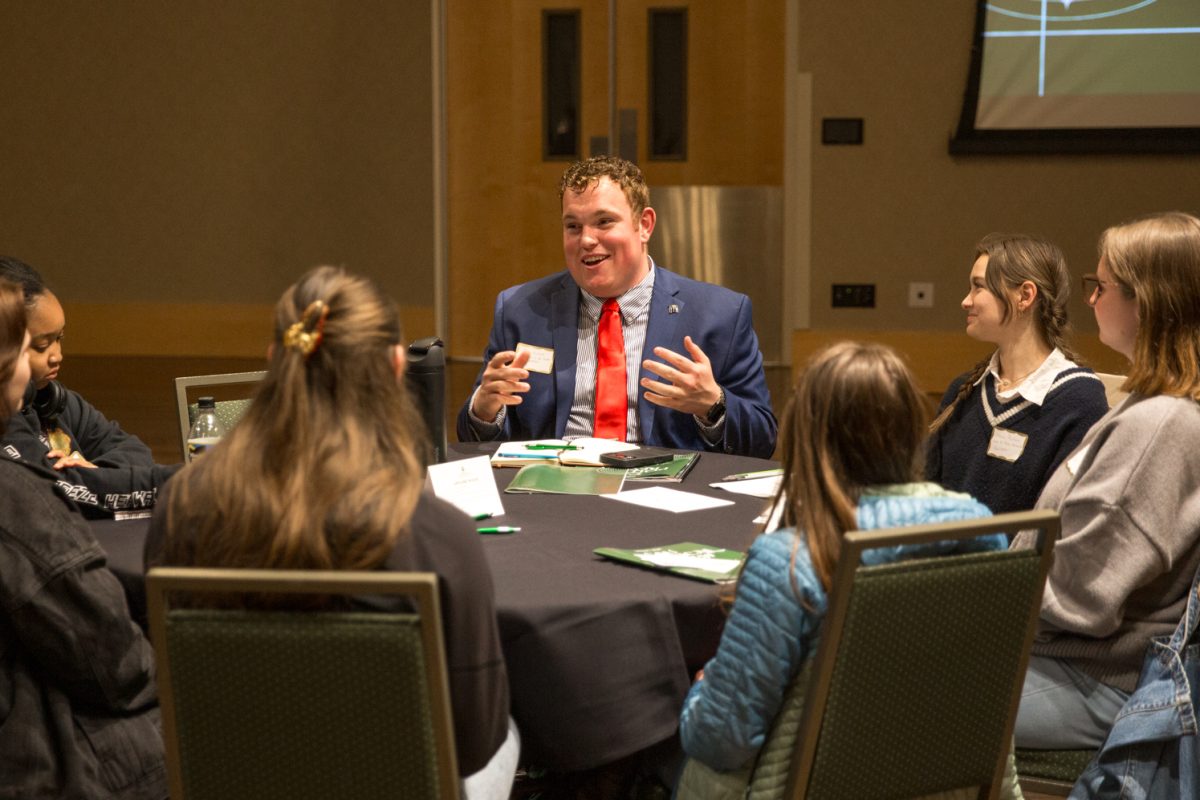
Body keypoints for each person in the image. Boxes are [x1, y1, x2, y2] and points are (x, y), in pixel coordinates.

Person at [143, 266, 518, 797]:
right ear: (394, 367)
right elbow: (476, 741)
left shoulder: (182, 507)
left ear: (275, 360)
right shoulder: (438, 535)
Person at [677, 341, 1005, 775]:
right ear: (912, 430)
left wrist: (702, 690)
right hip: (942, 782)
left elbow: (718, 741)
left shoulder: (790, 562)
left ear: (807, 438)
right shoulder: (979, 532)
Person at [1013, 211, 1200, 751]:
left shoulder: (1159, 425)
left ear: (1149, 302)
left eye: (1101, 286)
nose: (1090, 298)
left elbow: (1080, 602)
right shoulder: (1152, 405)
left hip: (1092, 680)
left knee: (865, 697)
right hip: (1073, 660)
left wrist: (973, 598)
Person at [456, 156, 777, 459]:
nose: (586, 240)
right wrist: (485, 409)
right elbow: (477, 437)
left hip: (666, 493)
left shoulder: (719, 314)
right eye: (573, 226)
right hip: (552, 487)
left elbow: (761, 441)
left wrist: (712, 405)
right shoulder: (520, 310)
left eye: (604, 222)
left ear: (644, 225)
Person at [0, 278, 167, 799]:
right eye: (29, 348)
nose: (42, 361)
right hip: (53, 760)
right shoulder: (14, 500)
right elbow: (117, 666)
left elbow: (131, 454)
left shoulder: (50, 401)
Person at [926, 234, 1108, 516]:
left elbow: (1063, 518)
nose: (965, 301)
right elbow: (929, 501)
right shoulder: (961, 391)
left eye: (978, 288)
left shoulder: (1079, 399)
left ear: (1025, 295)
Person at [0, 256, 178, 517]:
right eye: (40, 346)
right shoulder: (6, 426)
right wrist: (189, 482)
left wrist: (94, 475)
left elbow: (133, 450)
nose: (57, 355)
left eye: (59, 338)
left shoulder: (53, 399)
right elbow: (58, 491)